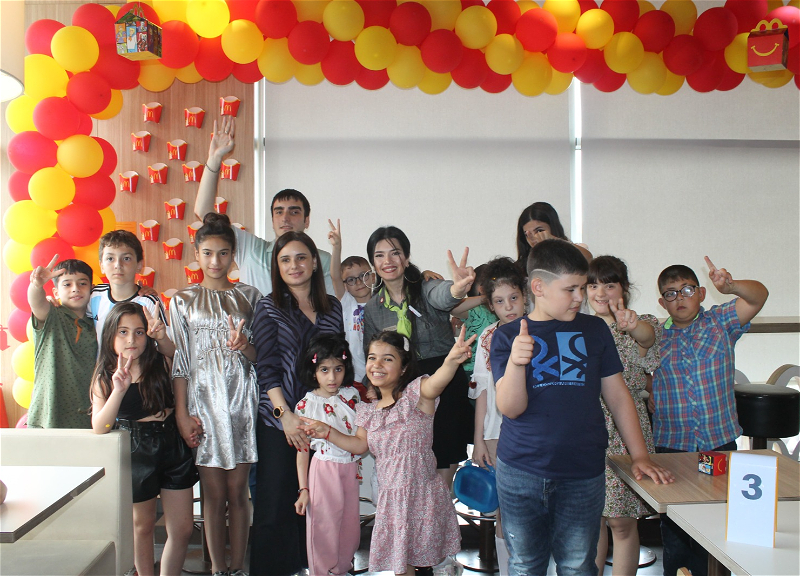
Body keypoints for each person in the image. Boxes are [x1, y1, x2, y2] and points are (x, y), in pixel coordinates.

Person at [490, 240, 673, 576]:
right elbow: (511, 409)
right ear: (538, 287)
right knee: (525, 564)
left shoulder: (594, 329)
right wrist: (516, 363)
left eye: (582, 287)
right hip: (521, 471)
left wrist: (640, 456)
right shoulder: (507, 337)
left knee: (577, 565)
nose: (580, 297)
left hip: (583, 470)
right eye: (570, 289)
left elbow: (618, 396)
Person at [299, 329, 477, 576]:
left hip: (423, 497)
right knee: (401, 568)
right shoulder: (367, 410)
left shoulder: (416, 396)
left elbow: (437, 382)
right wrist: (327, 431)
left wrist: (451, 361)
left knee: (427, 563)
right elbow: (359, 445)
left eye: (388, 359)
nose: (377, 365)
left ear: (403, 368)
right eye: (372, 358)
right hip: (392, 503)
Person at [652, 257, 768, 576]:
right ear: (662, 302)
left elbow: (758, 296)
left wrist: (731, 286)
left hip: (715, 446)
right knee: (675, 529)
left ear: (701, 293)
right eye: (671, 293)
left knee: (716, 523)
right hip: (673, 448)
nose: (680, 298)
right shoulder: (656, 337)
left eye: (687, 290)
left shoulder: (720, 322)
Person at [170, 213, 262, 576]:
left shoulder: (250, 297)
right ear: (196, 253)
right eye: (207, 253)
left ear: (233, 255)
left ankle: (238, 567)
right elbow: (180, 362)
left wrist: (245, 346)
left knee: (238, 491)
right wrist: (182, 413)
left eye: (223, 253)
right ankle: (217, 569)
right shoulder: (182, 300)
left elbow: (260, 356)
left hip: (241, 405)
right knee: (213, 493)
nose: (215, 261)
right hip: (202, 407)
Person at [250, 231, 344, 576]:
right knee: (275, 505)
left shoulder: (332, 307)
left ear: (315, 262)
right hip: (280, 422)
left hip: (321, 423)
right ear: (277, 267)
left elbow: (337, 364)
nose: (294, 265)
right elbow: (267, 368)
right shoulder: (268, 307)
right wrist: (285, 416)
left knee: (318, 504)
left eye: (301, 257)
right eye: (285, 259)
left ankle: (313, 568)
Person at [362, 225, 477, 487]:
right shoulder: (373, 308)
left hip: (443, 379)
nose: (388, 261)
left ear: (406, 257)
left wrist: (458, 289)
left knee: (443, 462)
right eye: (379, 255)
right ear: (373, 263)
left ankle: (440, 510)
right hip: (403, 387)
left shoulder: (425, 287)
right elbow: (370, 351)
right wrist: (373, 385)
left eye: (395, 253)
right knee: (413, 463)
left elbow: (444, 295)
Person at [90, 303, 197, 576]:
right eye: (123, 332)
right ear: (110, 335)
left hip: (172, 444)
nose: (131, 339)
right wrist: (119, 390)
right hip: (135, 449)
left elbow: (177, 354)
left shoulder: (160, 361)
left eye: (139, 332)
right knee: (143, 526)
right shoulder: (105, 375)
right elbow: (100, 426)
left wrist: (161, 336)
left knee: (183, 529)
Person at [194, 115, 334, 297]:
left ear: (306, 220)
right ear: (272, 219)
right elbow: (203, 211)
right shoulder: (251, 250)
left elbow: (331, 306)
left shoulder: (322, 260)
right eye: (279, 212)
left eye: (294, 212)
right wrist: (214, 158)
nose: (285, 218)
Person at [585, 256, 661, 576]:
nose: (600, 293)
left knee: (622, 522)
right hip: (586, 427)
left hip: (625, 428)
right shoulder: (579, 326)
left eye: (609, 285)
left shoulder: (640, 322)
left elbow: (647, 338)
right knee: (592, 522)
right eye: (593, 285)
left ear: (624, 288)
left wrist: (631, 325)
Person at [469, 257, 527, 575]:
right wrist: (478, 440)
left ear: (525, 295)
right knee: (505, 510)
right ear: (491, 306)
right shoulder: (487, 337)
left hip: (534, 431)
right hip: (496, 433)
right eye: (500, 301)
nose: (509, 306)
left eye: (513, 297)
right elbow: (482, 391)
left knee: (536, 508)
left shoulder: (540, 329)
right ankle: (508, 570)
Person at [293, 334, 361, 576]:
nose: (332, 377)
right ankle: (322, 572)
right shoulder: (306, 406)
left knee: (350, 528)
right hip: (323, 471)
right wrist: (304, 489)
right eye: (324, 370)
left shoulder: (353, 396)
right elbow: (302, 452)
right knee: (324, 528)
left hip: (351, 470)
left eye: (338, 369)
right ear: (313, 372)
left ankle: (341, 570)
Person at [26, 257, 97, 429]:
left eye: (82, 283)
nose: (75, 289)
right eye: (67, 284)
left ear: (92, 289)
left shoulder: (98, 323)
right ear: (56, 292)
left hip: (87, 413)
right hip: (49, 413)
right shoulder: (52, 316)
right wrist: (36, 286)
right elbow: (36, 303)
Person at [91, 230, 173, 357]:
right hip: (102, 369)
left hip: (140, 369)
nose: (118, 265)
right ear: (101, 265)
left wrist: (161, 339)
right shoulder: (94, 295)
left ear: (139, 265)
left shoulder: (149, 302)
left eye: (126, 258)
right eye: (110, 258)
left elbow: (171, 352)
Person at [514, 202, 592, 271]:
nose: (534, 238)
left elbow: (588, 258)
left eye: (539, 231)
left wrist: (554, 241)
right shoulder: (522, 266)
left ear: (553, 227)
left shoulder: (573, 250)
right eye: (528, 234)